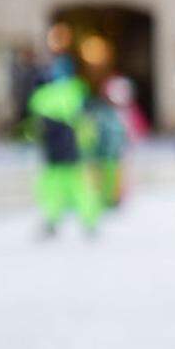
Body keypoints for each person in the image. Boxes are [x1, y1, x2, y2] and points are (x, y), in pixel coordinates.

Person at [27, 74, 101, 237]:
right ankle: (89, 220)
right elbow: (86, 131)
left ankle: (52, 220)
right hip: (73, 155)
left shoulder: (42, 101)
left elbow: (34, 131)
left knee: (52, 190)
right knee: (80, 189)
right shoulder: (73, 99)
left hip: (53, 157)